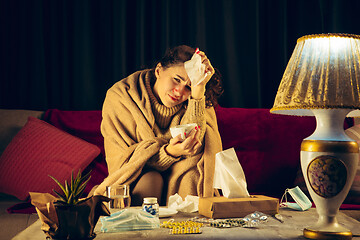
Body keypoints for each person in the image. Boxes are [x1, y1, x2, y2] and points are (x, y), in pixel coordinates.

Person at [94, 45, 223, 206]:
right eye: (176, 79)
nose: (179, 91)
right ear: (158, 71)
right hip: (138, 177)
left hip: (180, 171)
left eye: (188, 87)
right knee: (151, 179)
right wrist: (169, 152)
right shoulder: (121, 96)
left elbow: (195, 146)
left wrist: (197, 92)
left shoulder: (199, 98)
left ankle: (188, 229)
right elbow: (124, 164)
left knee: (193, 174)